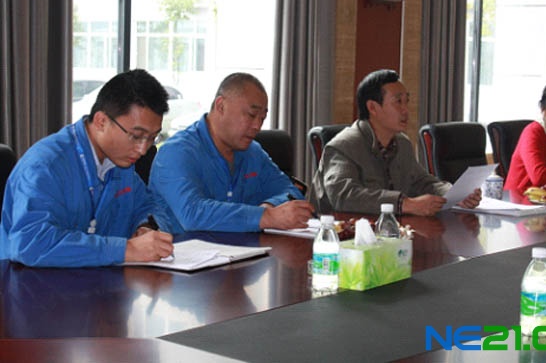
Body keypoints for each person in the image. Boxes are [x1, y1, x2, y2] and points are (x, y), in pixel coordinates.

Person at [0, 69, 175, 267]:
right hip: (28, 281)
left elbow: (149, 206)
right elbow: (30, 243)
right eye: (136, 136)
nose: (143, 149)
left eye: (152, 138)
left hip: (96, 280)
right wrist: (126, 250)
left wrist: (145, 227)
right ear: (101, 121)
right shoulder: (45, 166)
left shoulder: (122, 163)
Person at [149, 72, 314, 232]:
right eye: (251, 115)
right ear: (221, 106)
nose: (257, 126)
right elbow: (192, 214)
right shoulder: (175, 153)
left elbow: (291, 192)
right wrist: (264, 217)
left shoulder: (252, 152)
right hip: (184, 249)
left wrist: (270, 206)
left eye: (262, 118)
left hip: (248, 248)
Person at [310, 69, 481, 216]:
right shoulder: (343, 146)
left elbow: (420, 181)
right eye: (398, 102)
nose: (406, 110)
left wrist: (454, 194)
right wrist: (404, 204)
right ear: (372, 107)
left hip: (389, 231)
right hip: (343, 236)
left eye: (407, 101)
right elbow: (344, 196)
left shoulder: (402, 143)